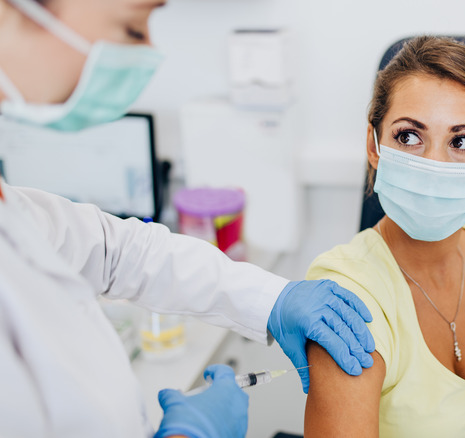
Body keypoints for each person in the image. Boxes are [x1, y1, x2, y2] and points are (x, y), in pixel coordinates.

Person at [0, 0, 375, 436]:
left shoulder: (17, 211)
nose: (148, 50)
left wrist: (271, 299)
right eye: (133, 29)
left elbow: (118, 252)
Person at [304, 36, 465, 437]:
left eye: (462, 141)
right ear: (373, 146)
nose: (434, 164)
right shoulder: (347, 294)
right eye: (409, 136)